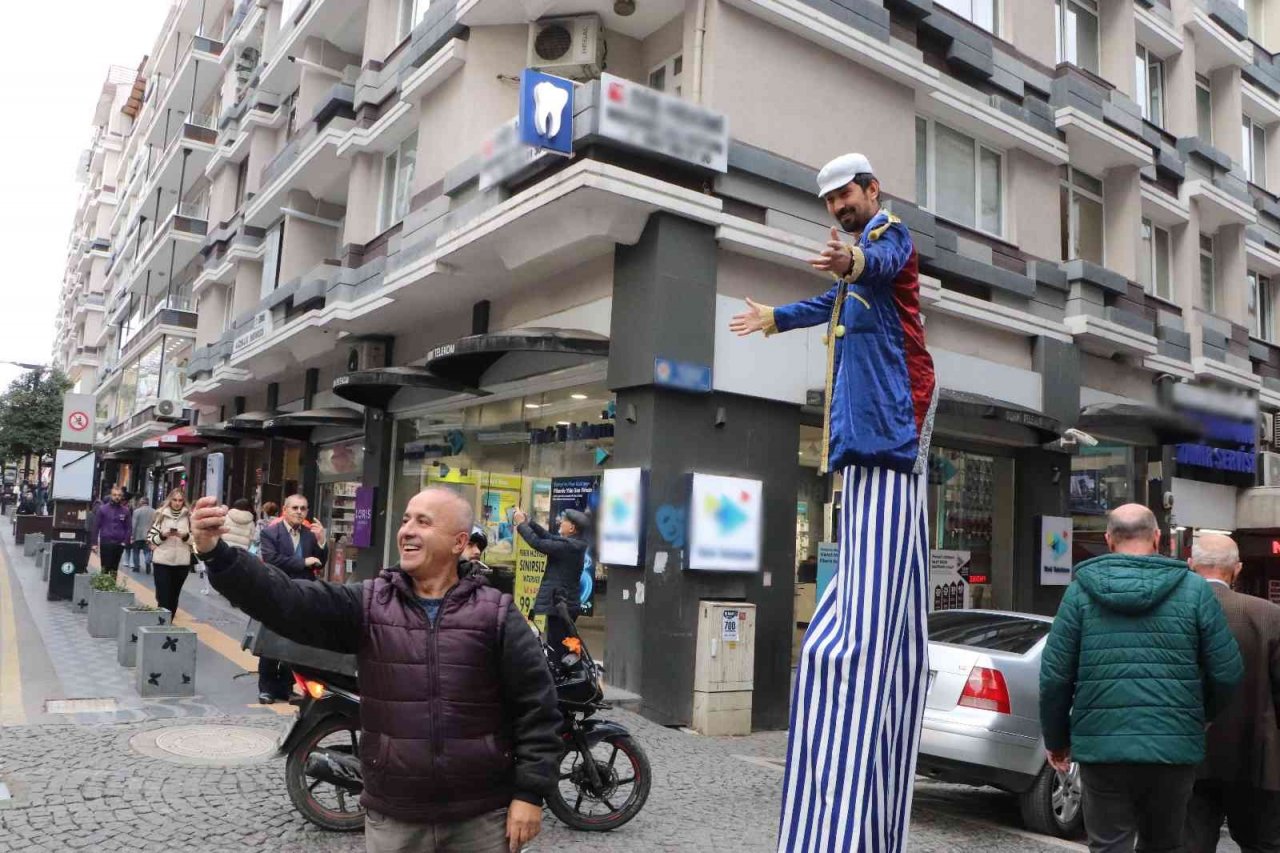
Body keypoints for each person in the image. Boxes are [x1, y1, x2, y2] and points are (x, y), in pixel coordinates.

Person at [729, 153, 937, 853]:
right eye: (828, 200)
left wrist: (851, 262)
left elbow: (880, 266)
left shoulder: (890, 237)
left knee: (864, 623)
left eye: (843, 194)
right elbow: (835, 300)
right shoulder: (862, 256)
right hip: (866, 434)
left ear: (872, 189)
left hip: (889, 428)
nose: (835, 206)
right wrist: (776, 318)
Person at [190, 489, 561, 853]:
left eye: (424, 521)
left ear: (458, 542)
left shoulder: (495, 613)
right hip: (394, 817)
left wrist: (529, 794)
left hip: (480, 818)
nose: (407, 530)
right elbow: (288, 600)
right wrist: (218, 555)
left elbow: (537, 706)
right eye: (405, 520)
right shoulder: (371, 603)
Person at [1040, 504, 1243, 853]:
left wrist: (1058, 740)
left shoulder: (1079, 593)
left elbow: (1055, 677)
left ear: (1108, 539)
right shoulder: (1194, 592)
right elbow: (1227, 672)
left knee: (1108, 844)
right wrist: (1201, 715)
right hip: (1173, 746)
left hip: (1103, 746)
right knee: (1163, 845)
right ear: (1158, 537)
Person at [1184, 534, 1280, 853]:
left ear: (1190, 564)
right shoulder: (1269, 616)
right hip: (1257, 757)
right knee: (1263, 845)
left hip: (1189, 756)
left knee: (1190, 844)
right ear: (1237, 569)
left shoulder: (1175, 615)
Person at [256, 494, 328, 703]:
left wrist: (322, 542)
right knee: (271, 641)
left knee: (293, 641)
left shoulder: (309, 534)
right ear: (285, 510)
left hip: (302, 594)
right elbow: (272, 560)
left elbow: (320, 562)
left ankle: (286, 687)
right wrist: (303, 562)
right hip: (275, 592)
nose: (299, 512)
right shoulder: (270, 533)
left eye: (303, 508)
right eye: (295, 508)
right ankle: (267, 688)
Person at [513, 507, 588, 633]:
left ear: (571, 528)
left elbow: (537, 543)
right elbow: (548, 536)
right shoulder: (572, 544)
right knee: (560, 644)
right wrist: (529, 522)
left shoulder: (567, 547)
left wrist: (521, 524)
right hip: (563, 605)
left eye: (564, 520)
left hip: (562, 606)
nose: (560, 522)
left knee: (558, 647)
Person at [147, 489, 194, 617]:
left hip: (182, 563)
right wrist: (162, 535)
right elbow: (151, 539)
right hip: (162, 561)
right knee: (163, 597)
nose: (177, 503)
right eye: (174, 500)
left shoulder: (190, 517)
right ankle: (161, 625)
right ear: (169, 500)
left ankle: (169, 623)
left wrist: (185, 536)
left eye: (180, 500)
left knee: (174, 597)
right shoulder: (160, 515)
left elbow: (196, 541)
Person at [93, 486, 133, 577]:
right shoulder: (102, 509)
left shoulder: (126, 511)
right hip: (106, 542)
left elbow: (129, 528)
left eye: (119, 495)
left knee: (114, 568)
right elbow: (96, 527)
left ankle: (112, 587)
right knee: (105, 567)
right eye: (115, 495)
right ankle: (103, 587)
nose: (117, 497)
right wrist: (94, 543)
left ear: (122, 496)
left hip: (119, 544)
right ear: (111, 495)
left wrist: (124, 542)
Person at [129, 497, 156, 574]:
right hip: (148, 535)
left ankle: (136, 567)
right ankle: (147, 562)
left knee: (135, 552)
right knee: (147, 551)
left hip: (138, 535)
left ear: (142, 502)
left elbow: (134, 525)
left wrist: (132, 536)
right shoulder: (154, 511)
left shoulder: (137, 511)